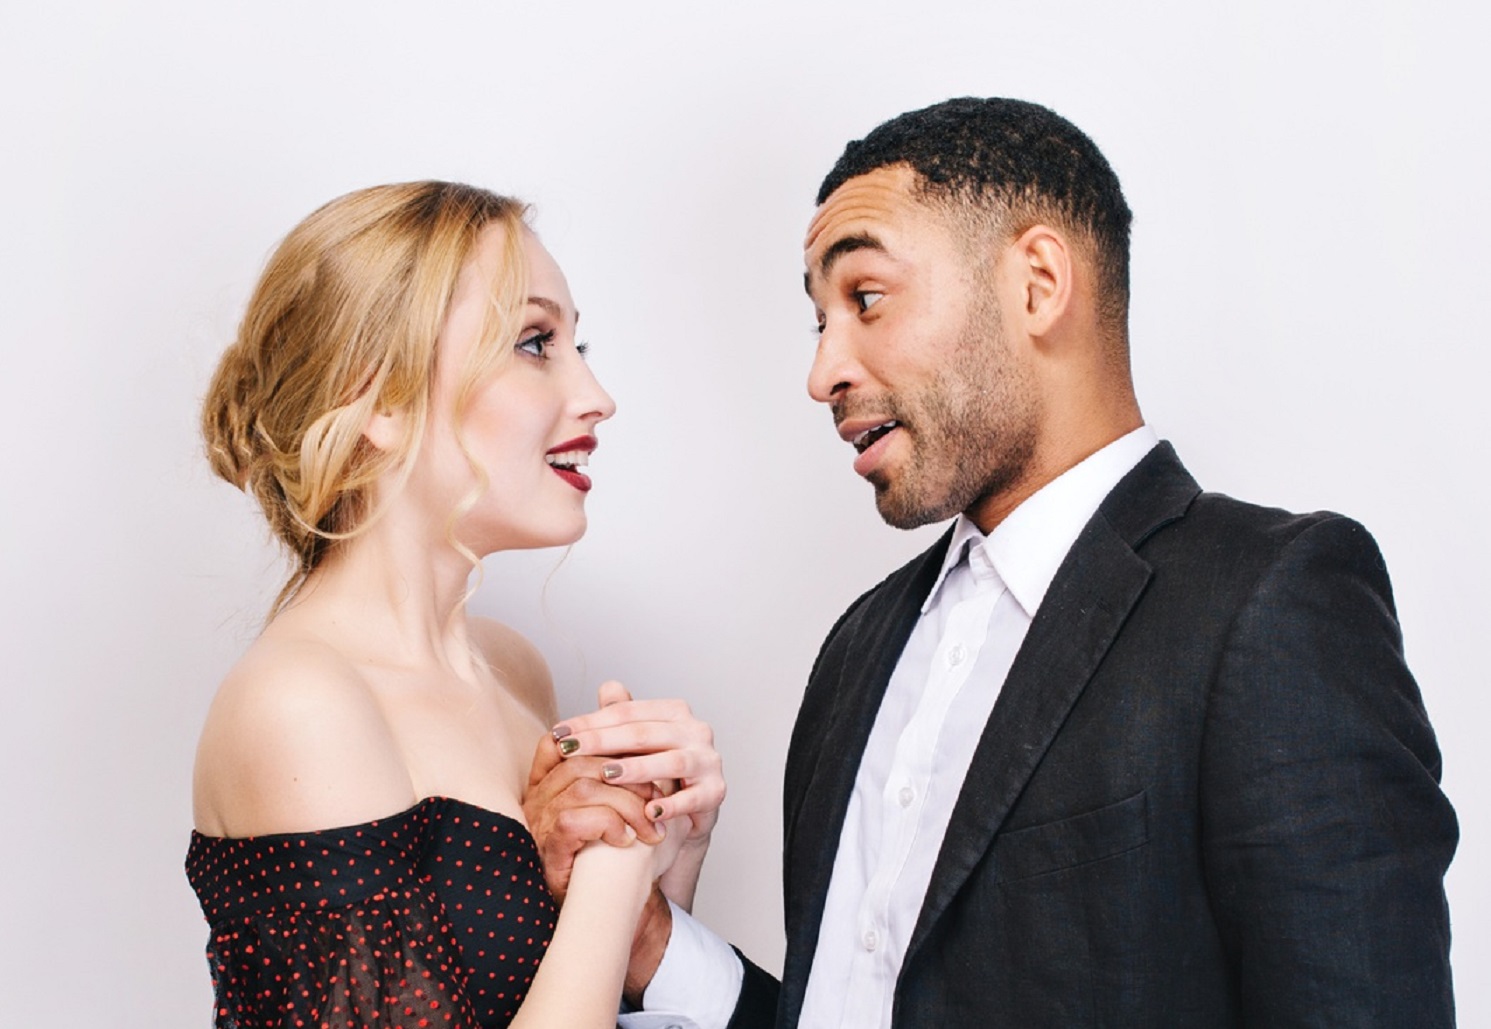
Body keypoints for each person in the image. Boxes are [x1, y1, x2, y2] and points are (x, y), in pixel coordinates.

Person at [530, 98, 1459, 1026]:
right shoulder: (859, 647)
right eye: (818, 322)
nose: (822, 372)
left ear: (1038, 283)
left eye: (865, 298)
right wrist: (648, 939)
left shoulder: (1267, 599)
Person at [186, 180, 725, 1029]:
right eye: (536, 342)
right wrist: (616, 864)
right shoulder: (299, 703)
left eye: (580, 344)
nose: (596, 395)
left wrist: (669, 849)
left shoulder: (512, 666)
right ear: (381, 402)